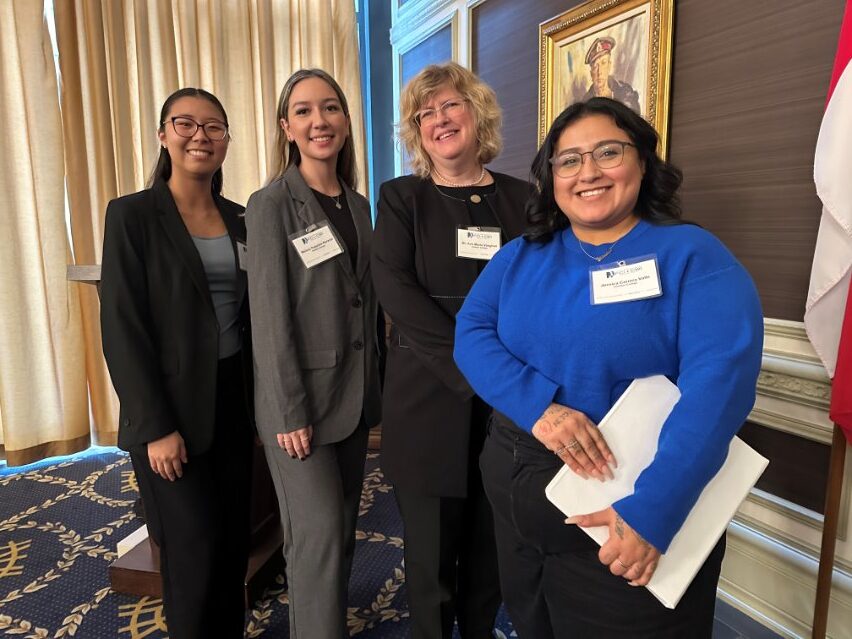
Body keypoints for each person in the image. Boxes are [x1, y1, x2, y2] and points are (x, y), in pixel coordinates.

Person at [454, 97, 763, 638]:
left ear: (643, 162)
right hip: (517, 495)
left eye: (608, 152)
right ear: (551, 177)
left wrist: (653, 514)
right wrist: (539, 408)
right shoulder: (522, 256)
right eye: (568, 159)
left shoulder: (693, 256)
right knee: (534, 624)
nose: (588, 172)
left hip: (626, 510)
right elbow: (471, 336)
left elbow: (719, 392)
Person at [371, 62, 530, 639]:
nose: (439, 120)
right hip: (429, 402)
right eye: (425, 113)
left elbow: (535, 293)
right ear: (417, 132)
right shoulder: (401, 199)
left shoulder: (524, 199)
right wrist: (479, 370)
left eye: (450, 106)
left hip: (506, 411)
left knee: (492, 554)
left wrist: (502, 380)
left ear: (476, 112)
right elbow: (396, 292)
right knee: (430, 566)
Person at [100, 88, 253, 639]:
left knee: (233, 541)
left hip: (233, 402)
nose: (200, 136)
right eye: (185, 123)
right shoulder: (133, 216)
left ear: (226, 141)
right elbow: (122, 329)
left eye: (214, 126)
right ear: (164, 135)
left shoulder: (242, 218)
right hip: (170, 413)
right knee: (193, 549)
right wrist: (156, 426)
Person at [245, 68, 382, 639]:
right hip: (298, 405)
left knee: (343, 527)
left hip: (352, 394)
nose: (318, 121)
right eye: (303, 111)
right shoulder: (271, 203)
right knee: (318, 532)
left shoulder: (358, 203)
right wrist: (289, 409)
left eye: (329, 108)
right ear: (286, 128)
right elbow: (270, 318)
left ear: (347, 122)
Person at [582, 36, 641, 114]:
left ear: (609, 66)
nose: (599, 72)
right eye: (595, 66)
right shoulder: (585, 103)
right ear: (591, 73)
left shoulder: (626, 93)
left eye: (603, 63)